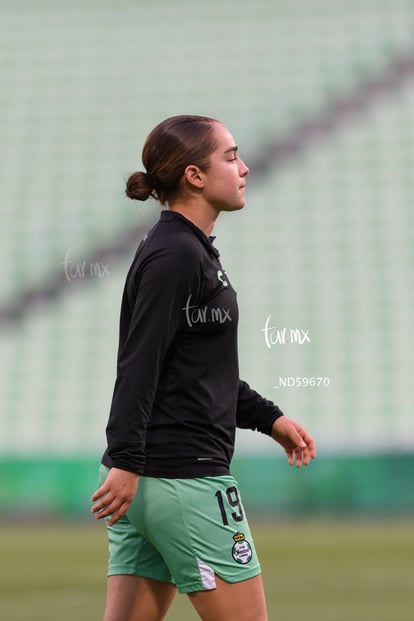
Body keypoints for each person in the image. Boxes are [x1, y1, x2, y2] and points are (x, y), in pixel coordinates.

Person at [91, 114, 316, 621]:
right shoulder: (176, 255)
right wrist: (126, 459)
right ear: (194, 175)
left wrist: (269, 418)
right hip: (181, 478)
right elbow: (139, 365)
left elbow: (190, 369)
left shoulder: (181, 249)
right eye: (231, 156)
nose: (245, 168)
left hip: (151, 480)